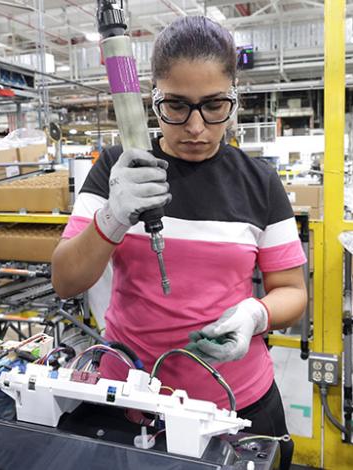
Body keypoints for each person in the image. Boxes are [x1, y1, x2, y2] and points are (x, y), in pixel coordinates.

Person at [51, 17, 306, 469]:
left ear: (236, 97)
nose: (195, 127)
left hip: (237, 406)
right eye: (176, 107)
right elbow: (66, 280)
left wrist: (254, 314)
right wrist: (112, 217)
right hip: (129, 401)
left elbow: (292, 291)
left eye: (214, 106)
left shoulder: (260, 183)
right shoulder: (118, 168)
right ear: (153, 99)